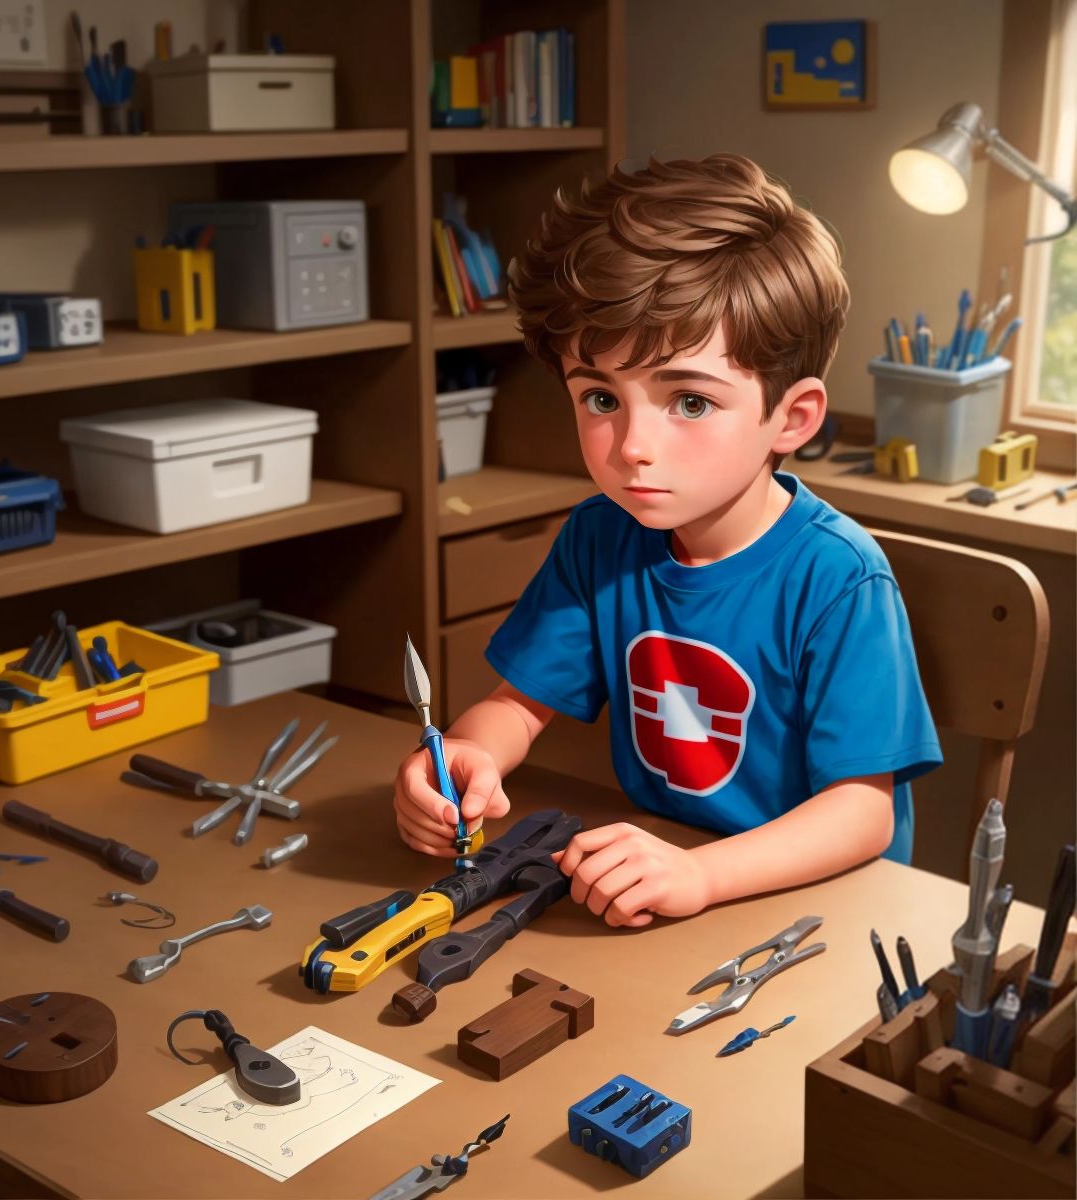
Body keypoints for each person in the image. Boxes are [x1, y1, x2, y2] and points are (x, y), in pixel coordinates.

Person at [394, 154, 942, 928]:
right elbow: (517, 705)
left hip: (824, 912)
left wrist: (701, 875)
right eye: (599, 396)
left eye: (688, 400)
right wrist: (466, 758)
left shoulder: (840, 579)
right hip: (669, 885)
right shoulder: (599, 538)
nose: (631, 446)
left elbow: (862, 816)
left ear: (793, 417)